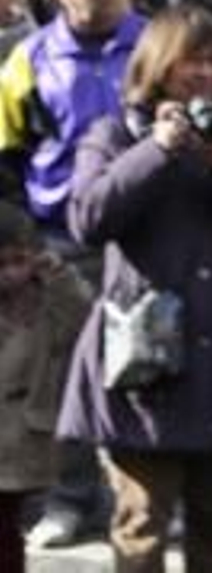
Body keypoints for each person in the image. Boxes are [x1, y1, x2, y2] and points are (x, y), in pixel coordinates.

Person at [56, 5, 212, 572]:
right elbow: (88, 219)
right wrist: (156, 150)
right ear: (159, 66)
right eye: (194, 61)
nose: (208, 74)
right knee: (141, 523)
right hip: (147, 362)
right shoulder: (112, 133)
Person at [0, 0, 144, 551]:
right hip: (60, 237)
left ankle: (142, 503)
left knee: (145, 369)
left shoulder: (156, 45)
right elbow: (6, 155)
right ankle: (69, 496)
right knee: (63, 379)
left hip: (144, 237)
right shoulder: (28, 57)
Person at [0, 203, 92, 573]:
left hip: (22, 438)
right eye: (0, 264)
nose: (9, 274)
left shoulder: (46, 304)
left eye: (18, 262)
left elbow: (82, 313)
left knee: (7, 529)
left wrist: (57, 272)